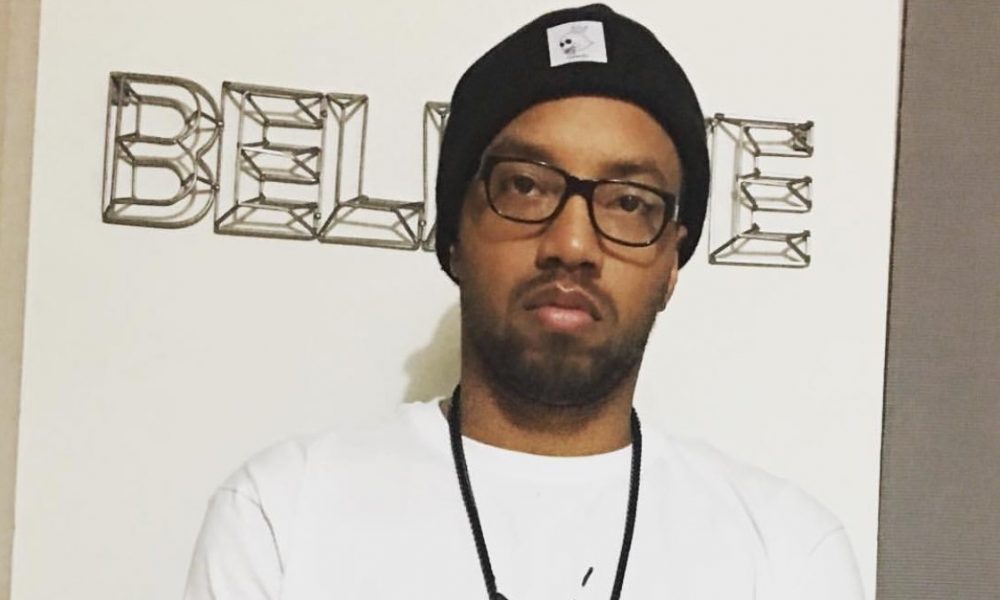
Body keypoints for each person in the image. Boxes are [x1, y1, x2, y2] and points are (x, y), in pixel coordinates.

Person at [183, 4, 864, 599]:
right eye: (527, 187)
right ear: (454, 236)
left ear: (670, 265)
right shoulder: (282, 516)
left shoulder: (788, 553)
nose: (572, 244)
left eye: (629, 203)